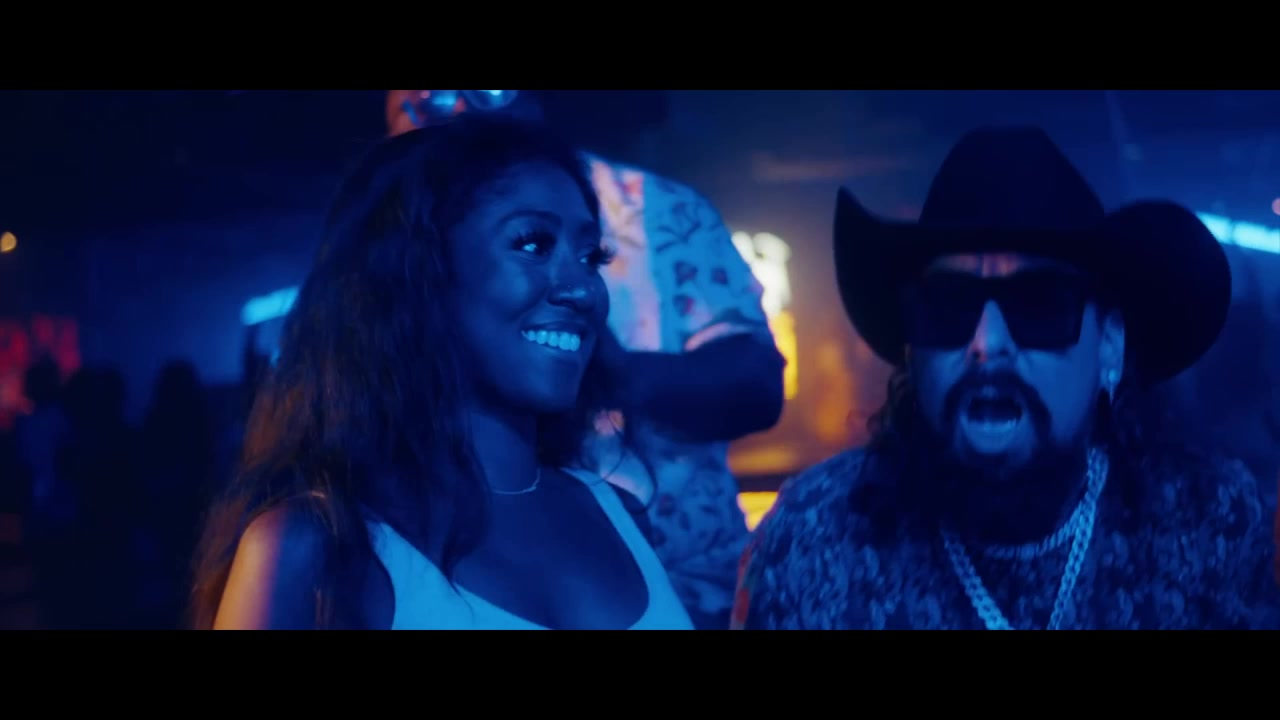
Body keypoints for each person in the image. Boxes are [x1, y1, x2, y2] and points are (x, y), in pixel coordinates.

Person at [733, 126, 1280, 630]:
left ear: (1110, 345)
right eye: (949, 304)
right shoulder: (814, 536)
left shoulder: (1213, 524)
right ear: (912, 350)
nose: (986, 344)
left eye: (1037, 303)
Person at [191, 114, 693, 630]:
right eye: (532, 244)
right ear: (417, 270)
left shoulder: (621, 516)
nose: (583, 288)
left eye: (591, 256)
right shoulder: (317, 547)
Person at [387, 91, 784, 630]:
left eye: (593, 257)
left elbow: (756, 385)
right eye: (426, 100)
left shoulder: (653, 208)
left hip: (687, 589)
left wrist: (598, 366)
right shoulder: (333, 536)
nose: (457, 109)